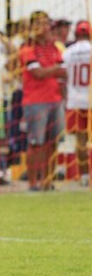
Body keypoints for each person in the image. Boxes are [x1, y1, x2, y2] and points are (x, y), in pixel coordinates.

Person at [19, 11, 67, 191]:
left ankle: (48, 179)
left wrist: (52, 71)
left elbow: (64, 71)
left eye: (47, 23)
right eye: (40, 23)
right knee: (35, 142)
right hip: (35, 101)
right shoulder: (27, 49)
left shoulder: (55, 47)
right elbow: (37, 73)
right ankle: (32, 182)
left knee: (53, 141)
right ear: (32, 27)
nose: (44, 27)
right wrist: (55, 69)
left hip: (55, 99)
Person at [63, 20, 91, 185]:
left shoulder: (68, 52)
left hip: (74, 100)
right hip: (90, 99)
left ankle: (85, 176)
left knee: (80, 140)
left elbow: (63, 75)